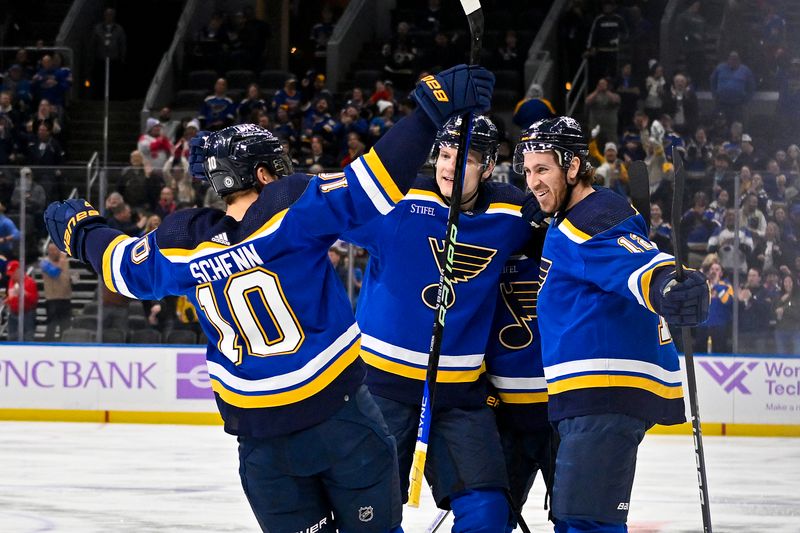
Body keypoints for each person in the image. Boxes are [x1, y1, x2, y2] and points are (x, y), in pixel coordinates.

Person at [43, 64, 495, 533]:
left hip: (261, 447)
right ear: (262, 173)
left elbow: (121, 268)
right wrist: (428, 113)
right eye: (276, 166)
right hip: (340, 422)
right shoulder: (290, 208)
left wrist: (84, 233)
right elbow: (373, 183)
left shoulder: (184, 242)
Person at [343, 114, 549, 532]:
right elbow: (321, 212)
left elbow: (572, 232)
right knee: (367, 518)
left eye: (466, 159)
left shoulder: (512, 213)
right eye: (445, 154)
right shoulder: (395, 201)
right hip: (381, 390)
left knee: (489, 514)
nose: (450, 166)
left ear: (489, 167)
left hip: (459, 397)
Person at [513, 116, 709, 533]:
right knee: (578, 520)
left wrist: (669, 288)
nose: (533, 181)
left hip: (601, 393)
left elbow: (638, 262)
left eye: (542, 168)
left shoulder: (590, 218)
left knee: (586, 524)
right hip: (591, 397)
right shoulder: (572, 217)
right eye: (528, 171)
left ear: (572, 167)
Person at [40, 241, 72, 341]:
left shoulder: (65, 261)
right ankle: (48, 343)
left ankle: (65, 343)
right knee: (51, 325)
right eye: (50, 250)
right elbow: (54, 273)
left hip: (65, 298)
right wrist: (60, 264)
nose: (52, 252)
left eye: (55, 250)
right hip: (52, 299)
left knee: (65, 325)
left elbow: (67, 277)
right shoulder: (44, 262)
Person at [5, 259, 38, 341]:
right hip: (13, 313)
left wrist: (24, 293)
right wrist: (6, 300)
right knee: (12, 337)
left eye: (13, 273)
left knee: (28, 337)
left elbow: (34, 300)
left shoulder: (29, 282)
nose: (11, 276)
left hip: (27, 314)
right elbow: (11, 297)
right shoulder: (11, 282)